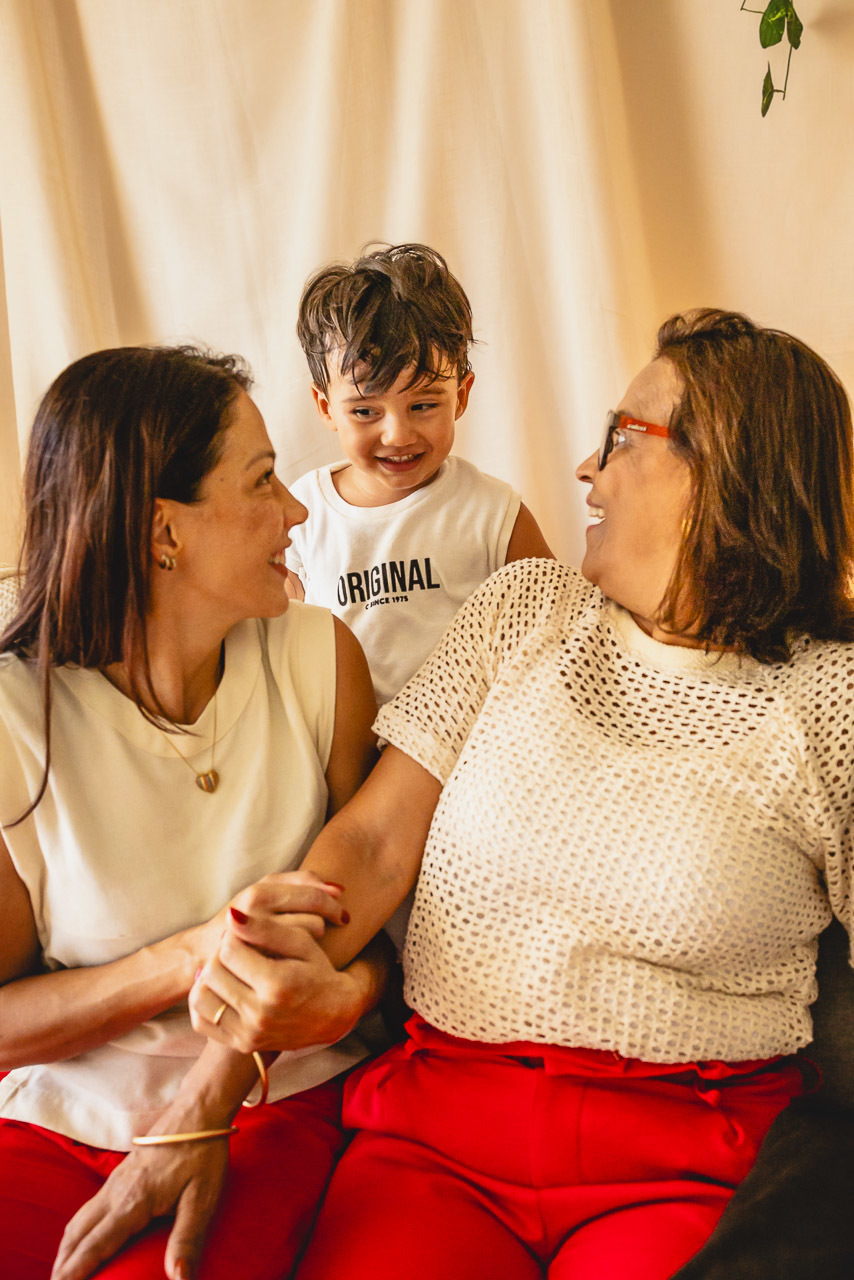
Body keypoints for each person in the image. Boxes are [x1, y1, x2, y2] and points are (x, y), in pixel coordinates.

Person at [188, 308, 854, 1280]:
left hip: (685, 1155)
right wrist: (225, 1059)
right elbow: (372, 845)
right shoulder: (520, 608)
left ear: (726, 470)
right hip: (435, 1135)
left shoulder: (827, 694)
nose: (585, 468)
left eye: (622, 437)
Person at [0, 345, 387, 1280]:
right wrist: (189, 956)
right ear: (161, 532)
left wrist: (350, 995)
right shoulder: (15, 717)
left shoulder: (318, 661)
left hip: (274, 1101)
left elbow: (383, 926)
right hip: (58, 1117)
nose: (298, 509)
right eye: (261, 482)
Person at [287, 242, 553, 707]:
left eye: (424, 405)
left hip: (471, 746)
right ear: (326, 408)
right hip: (349, 749)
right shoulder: (302, 514)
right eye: (366, 410)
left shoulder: (492, 513)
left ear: (461, 396)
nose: (397, 434)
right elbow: (285, 649)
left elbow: (559, 633)